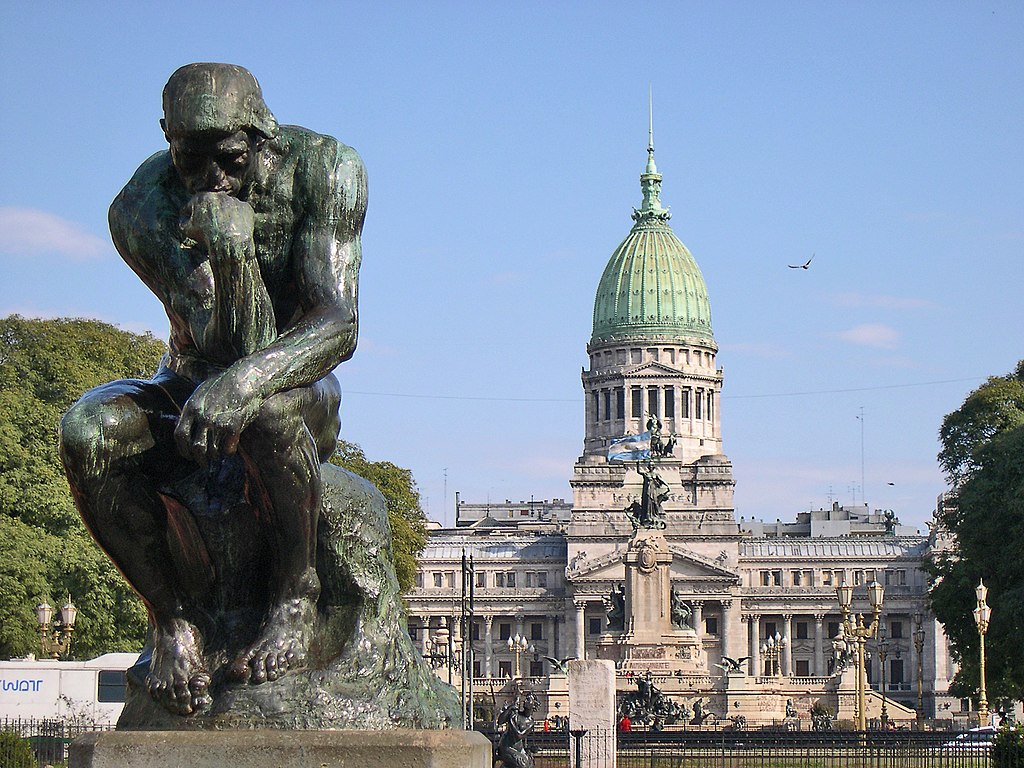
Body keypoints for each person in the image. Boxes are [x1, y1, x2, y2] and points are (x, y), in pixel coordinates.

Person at [59, 63, 367, 716]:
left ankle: (294, 595)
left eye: (228, 160)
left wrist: (246, 379)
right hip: (187, 382)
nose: (211, 181)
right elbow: (213, 337)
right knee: (85, 432)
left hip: (298, 386)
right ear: (167, 140)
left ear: (263, 136)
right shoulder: (141, 206)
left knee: (264, 412)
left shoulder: (326, 170)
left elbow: (337, 323)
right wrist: (230, 255)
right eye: (189, 161)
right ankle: (173, 620)